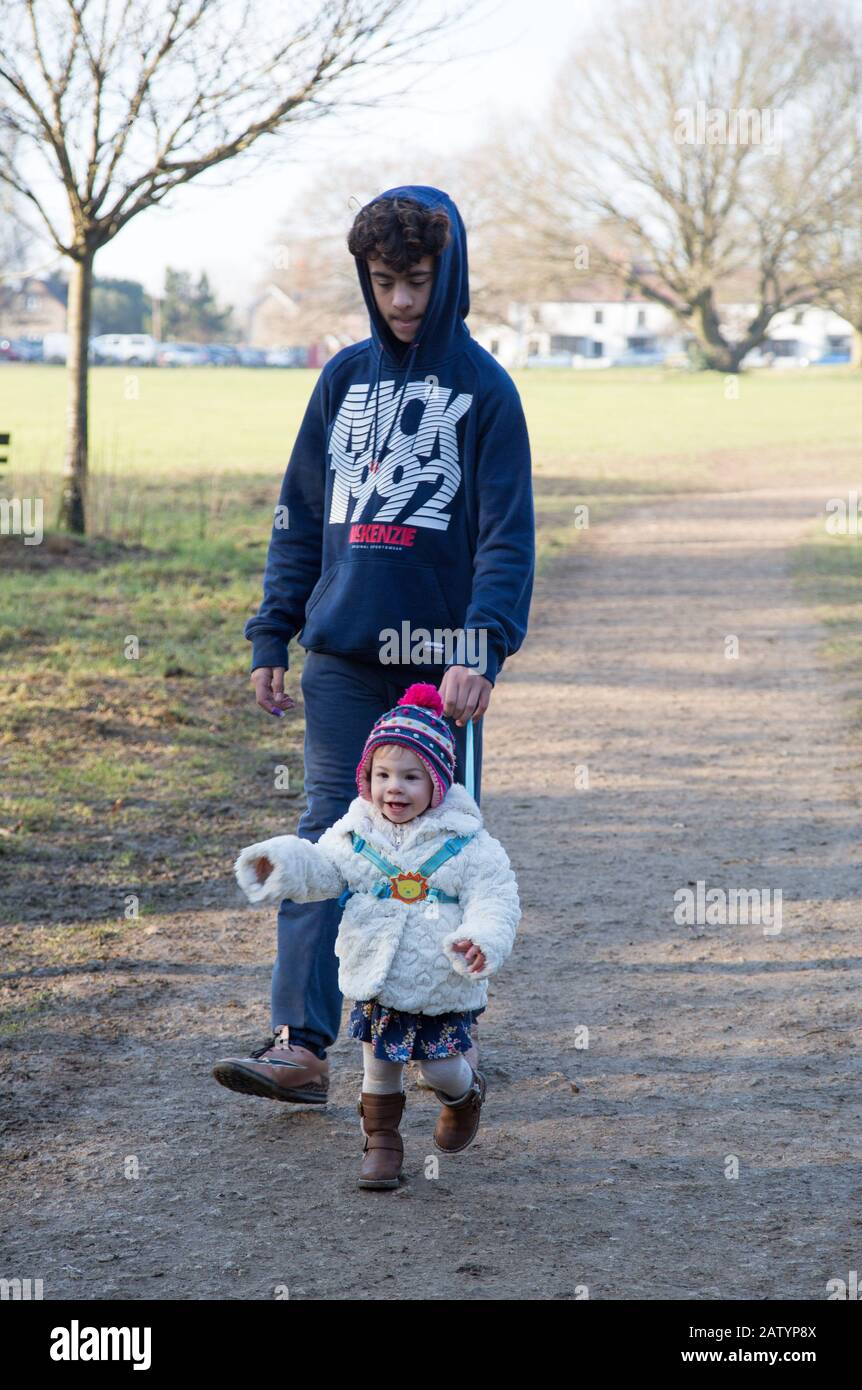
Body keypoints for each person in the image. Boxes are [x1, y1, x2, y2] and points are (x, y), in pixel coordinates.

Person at [212, 183, 534, 1104]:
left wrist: (483, 645)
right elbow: (300, 517)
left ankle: (437, 1034)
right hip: (345, 653)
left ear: (450, 273)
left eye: (418, 281)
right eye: (385, 281)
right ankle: (300, 1044)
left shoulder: (486, 391)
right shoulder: (343, 379)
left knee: (433, 846)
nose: (401, 301)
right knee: (329, 833)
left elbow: (507, 535)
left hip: (440, 659)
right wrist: (273, 629)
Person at [232, 684, 521, 1188]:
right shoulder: (355, 834)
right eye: (382, 775)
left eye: (411, 777)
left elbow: (495, 898)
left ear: (437, 782)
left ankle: (463, 1094)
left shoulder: (468, 843)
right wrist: (282, 863)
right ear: (366, 778)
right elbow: (323, 869)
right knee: (379, 1064)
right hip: (376, 974)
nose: (395, 788)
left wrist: (480, 938)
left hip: (438, 979)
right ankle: (382, 1145)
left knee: (440, 1068)